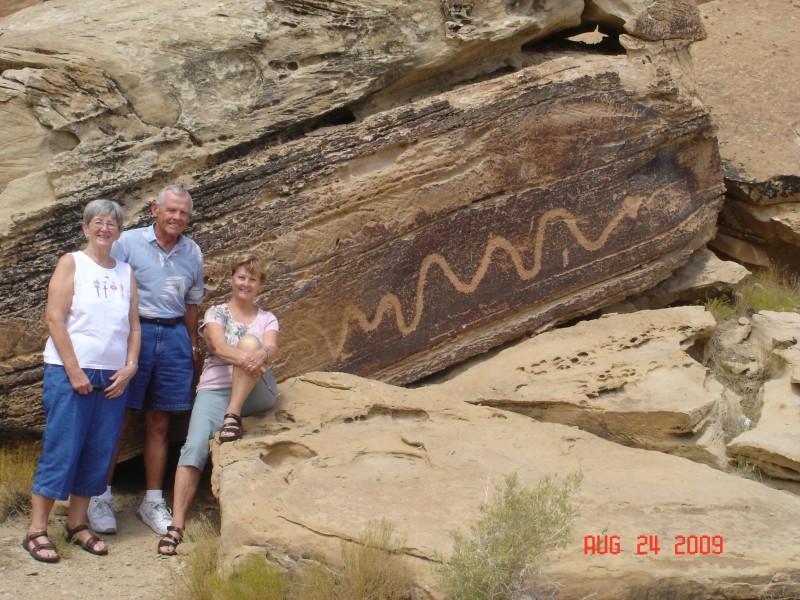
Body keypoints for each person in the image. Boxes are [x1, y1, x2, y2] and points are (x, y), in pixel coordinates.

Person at [23, 199, 140, 563]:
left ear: (119, 232)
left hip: (113, 377)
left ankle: (77, 525)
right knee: (62, 447)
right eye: (99, 222)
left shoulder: (126, 273)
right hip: (69, 370)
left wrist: (131, 365)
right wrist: (73, 370)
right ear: (85, 228)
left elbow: (134, 326)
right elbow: (54, 319)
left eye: (113, 224)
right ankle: (37, 530)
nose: (105, 228)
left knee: (98, 451)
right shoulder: (72, 263)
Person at [88, 184, 204, 537]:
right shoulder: (128, 243)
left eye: (183, 213)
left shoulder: (192, 251)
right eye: (171, 210)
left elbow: (192, 304)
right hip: (132, 333)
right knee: (117, 415)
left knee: (159, 421)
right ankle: (99, 495)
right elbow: (107, 282)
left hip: (172, 337)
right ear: (155, 209)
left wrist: (192, 348)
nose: (177, 218)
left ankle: (152, 501)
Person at [157, 255, 279, 556]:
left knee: (252, 343)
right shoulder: (216, 313)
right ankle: (176, 526)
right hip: (215, 389)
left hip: (256, 392)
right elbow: (217, 348)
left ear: (260, 284)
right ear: (231, 279)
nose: (245, 283)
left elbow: (272, 346)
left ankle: (232, 415)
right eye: (240, 277)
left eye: (252, 279)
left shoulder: (267, 318)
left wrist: (259, 355)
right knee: (194, 446)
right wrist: (251, 359)